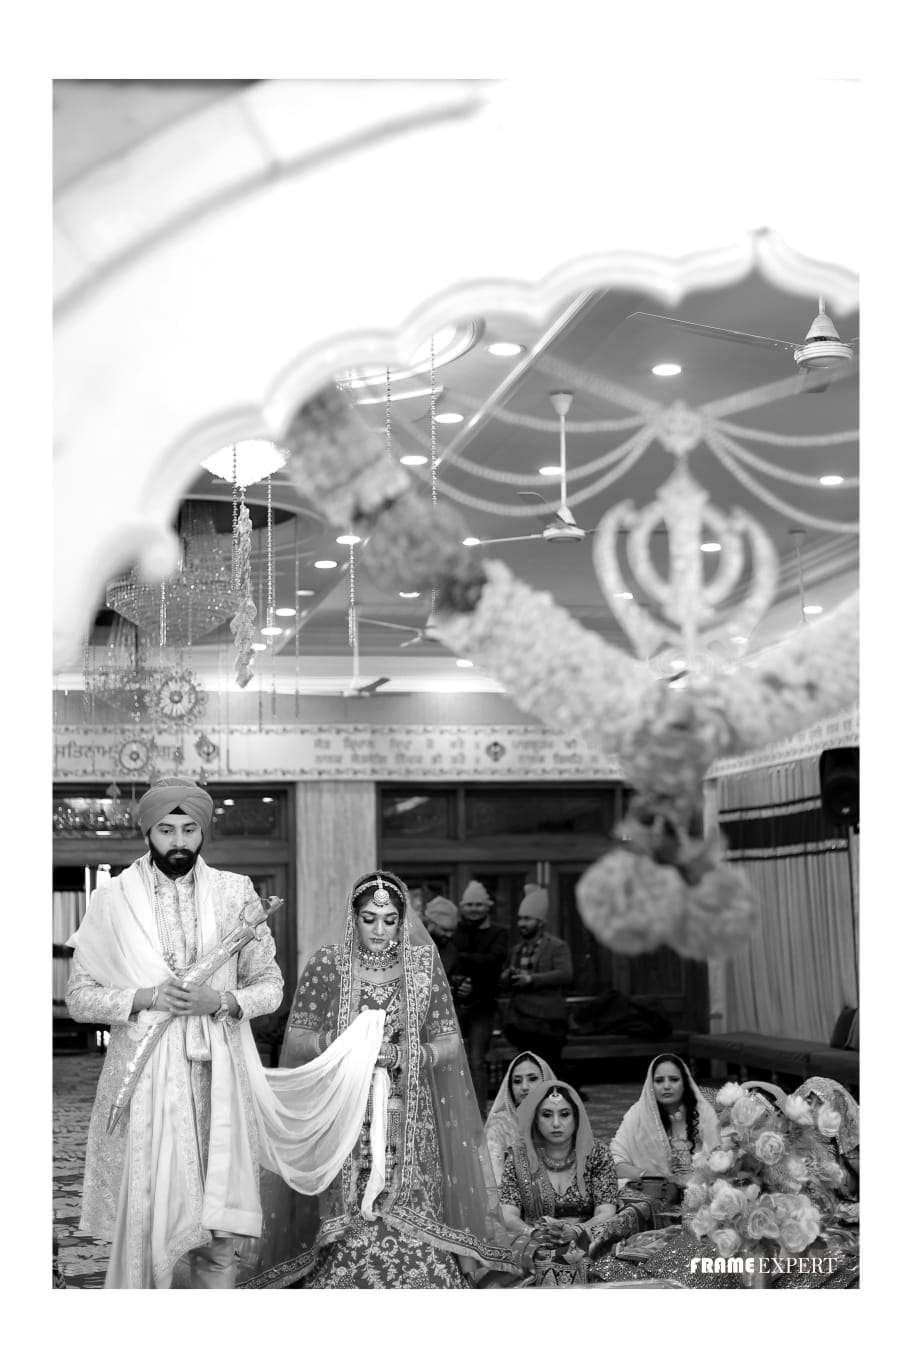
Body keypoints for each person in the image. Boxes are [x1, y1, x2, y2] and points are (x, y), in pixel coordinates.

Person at [245, 870, 516, 1288]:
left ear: (402, 920)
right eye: (369, 918)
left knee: (414, 1208)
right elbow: (297, 1039)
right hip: (346, 1108)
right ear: (353, 918)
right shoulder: (329, 964)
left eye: (389, 920)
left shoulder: (422, 966)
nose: (379, 929)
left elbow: (448, 1041)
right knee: (349, 1201)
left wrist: (404, 1054)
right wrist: (350, 1045)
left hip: (411, 1112)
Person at [65, 778, 284, 1288]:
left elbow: (270, 986)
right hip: (143, 1082)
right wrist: (145, 997)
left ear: (204, 831)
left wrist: (222, 1002)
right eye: (166, 830)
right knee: (148, 1220)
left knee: (219, 1230)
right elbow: (79, 998)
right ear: (148, 831)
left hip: (218, 1079)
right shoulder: (113, 899)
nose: (179, 841)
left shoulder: (235, 893)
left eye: (189, 829)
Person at [498, 1080, 651, 1286]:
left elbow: (605, 1211)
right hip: (534, 1241)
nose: (556, 1123)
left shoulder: (596, 1153)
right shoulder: (519, 1158)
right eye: (546, 1115)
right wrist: (533, 1233)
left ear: (576, 1117)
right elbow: (508, 1214)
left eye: (564, 1114)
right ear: (535, 1118)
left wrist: (576, 1231)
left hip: (586, 1240)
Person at [610, 1053, 719, 1203]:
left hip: (701, 1191)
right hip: (654, 1192)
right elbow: (614, 1161)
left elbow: (720, 1156)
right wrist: (650, 1176)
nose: (666, 1086)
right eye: (659, 1080)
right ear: (651, 1085)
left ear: (685, 1082)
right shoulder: (638, 1114)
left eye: (674, 1079)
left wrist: (693, 1180)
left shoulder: (703, 1113)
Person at [500, 887, 573, 1071]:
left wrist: (531, 979)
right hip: (521, 1020)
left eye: (527, 919)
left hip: (548, 1020)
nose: (521, 923)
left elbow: (565, 974)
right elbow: (505, 982)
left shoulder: (557, 946)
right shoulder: (517, 950)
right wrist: (508, 976)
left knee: (549, 1067)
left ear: (540, 922)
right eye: (520, 919)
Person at [451, 879, 508, 1108]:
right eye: (469, 904)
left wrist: (464, 961)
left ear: (487, 907)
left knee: (477, 1061)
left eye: (478, 904)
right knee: (451, 1059)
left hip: (483, 1005)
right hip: (454, 1003)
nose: (474, 909)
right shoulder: (454, 931)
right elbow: (448, 963)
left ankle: (479, 1112)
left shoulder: (499, 932)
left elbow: (495, 962)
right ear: (462, 906)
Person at [484, 1050, 556, 1184]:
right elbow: (493, 1181)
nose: (524, 1087)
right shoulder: (500, 1127)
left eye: (532, 1079)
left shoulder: (562, 1120)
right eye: (517, 1081)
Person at [424, 894, 459, 979]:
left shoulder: (450, 948)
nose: (449, 935)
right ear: (431, 923)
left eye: (452, 930)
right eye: (445, 930)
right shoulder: (413, 943)